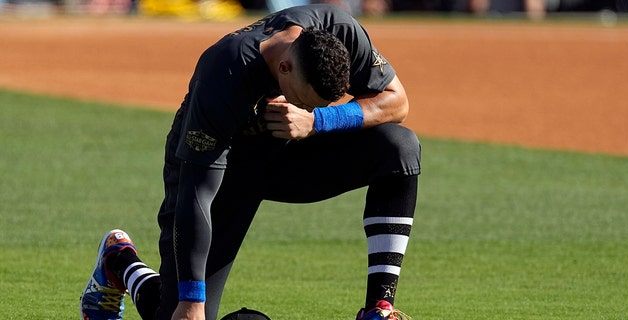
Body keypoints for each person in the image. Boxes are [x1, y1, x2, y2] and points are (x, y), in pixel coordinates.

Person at [80, 3, 420, 320]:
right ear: (284, 68)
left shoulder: (339, 33)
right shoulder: (224, 74)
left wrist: (319, 122)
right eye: (307, 101)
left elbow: (397, 102)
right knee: (180, 310)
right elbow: (196, 194)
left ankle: (380, 307)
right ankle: (119, 261)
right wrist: (192, 300)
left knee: (399, 147)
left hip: (291, 154)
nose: (312, 108)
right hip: (223, 170)